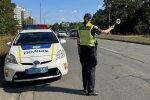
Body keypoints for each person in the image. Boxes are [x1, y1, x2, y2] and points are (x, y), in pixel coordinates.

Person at [77, 13, 115, 96]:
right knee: (91, 70)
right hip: (90, 50)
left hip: (82, 50)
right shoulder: (92, 27)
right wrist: (111, 28)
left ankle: (85, 88)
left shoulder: (79, 27)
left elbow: (78, 40)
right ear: (90, 19)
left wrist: (79, 52)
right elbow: (104, 32)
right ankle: (91, 91)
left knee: (84, 69)